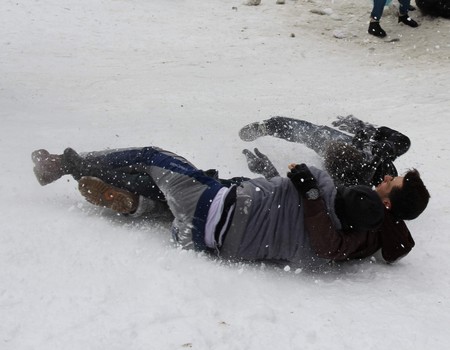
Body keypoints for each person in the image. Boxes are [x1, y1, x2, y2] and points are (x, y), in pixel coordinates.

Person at [31, 143, 429, 267]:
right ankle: (137, 205)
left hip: (223, 205)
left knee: (156, 158)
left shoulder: (360, 227)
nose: (383, 179)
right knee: (176, 195)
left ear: (390, 204)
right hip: (210, 235)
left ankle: (66, 164)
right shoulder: (360, 221)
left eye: (389, 182)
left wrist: (307, 188)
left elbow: (323, 237)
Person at [239, 115, 410, 188]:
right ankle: (268, 126)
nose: (389, 178)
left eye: (390, 182)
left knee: (316, 136)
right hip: (350, 148)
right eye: (393, 177)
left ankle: (271, 126)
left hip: (342, 168)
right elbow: (403, 141)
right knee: (314, 133)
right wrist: (369, 131)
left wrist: (272, 174)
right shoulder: (383, 158)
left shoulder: (364, 192)